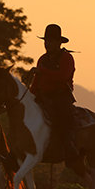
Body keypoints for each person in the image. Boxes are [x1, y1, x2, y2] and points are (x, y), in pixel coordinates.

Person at [29, 24, 79, 167]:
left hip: (60, 96)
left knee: (64, 114)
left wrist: (42, 71)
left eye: (51, 41)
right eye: (46, 41)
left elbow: (62, 77)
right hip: (42, 96)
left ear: (59, 42)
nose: (48, 44)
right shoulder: (42, 59)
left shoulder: (66, 58)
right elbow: (35, 83)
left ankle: (69, 146)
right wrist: (30, 97)